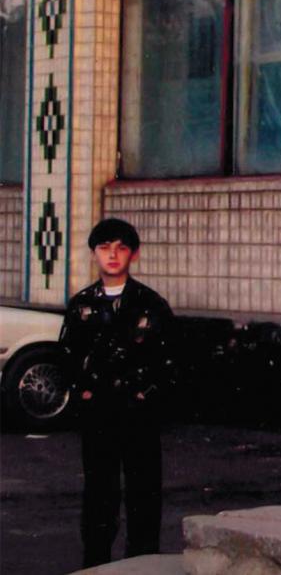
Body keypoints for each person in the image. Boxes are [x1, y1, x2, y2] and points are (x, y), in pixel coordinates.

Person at [60, 218, 177, 567]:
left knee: (144, 493)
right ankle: (95, 565)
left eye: (121, 248)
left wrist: (147, 396)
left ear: (134, 254)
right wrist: (82, 396)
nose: (112, 255)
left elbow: (169, 361)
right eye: (105, 248)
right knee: (99, 494)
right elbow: (67, 357)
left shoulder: (150, 304)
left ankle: (142, 566)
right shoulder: (82, 305)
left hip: (139, 414)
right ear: (94, 254)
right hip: (98, 415)